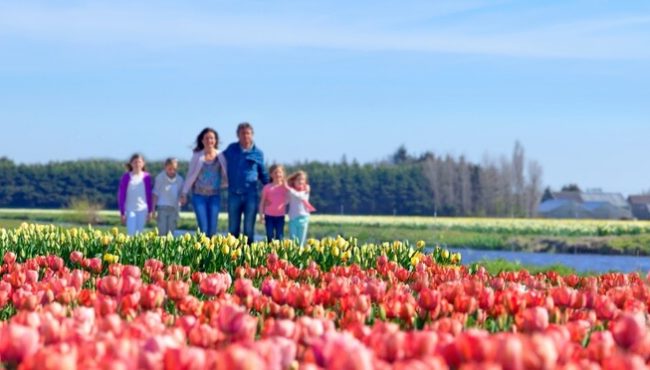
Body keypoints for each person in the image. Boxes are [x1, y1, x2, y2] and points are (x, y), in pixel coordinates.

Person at [223, 122, 270, 243]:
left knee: (249, 229)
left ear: (252, 135)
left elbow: (263, 174)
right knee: (233, 229)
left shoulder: (258, 153)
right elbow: (218, 161)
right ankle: (232, 257)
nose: (245, 136)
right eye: (242, 133)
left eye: (248, 133)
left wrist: (271, 190)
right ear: (237, 135)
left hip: (251, 195)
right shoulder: (231, 149)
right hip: (234, 194)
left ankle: (247, 259)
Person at [180, 128, 228, 237]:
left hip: (215, 195)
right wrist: (184, 193)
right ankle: (201, 251)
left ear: (215, 140)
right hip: (199, 196)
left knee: (212, 229)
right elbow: (190, 175)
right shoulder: (197, 156)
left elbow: (229, 171)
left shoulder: (221, 155)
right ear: (202, 141)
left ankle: (211, 252)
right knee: (204, 228)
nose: (209, 140)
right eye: (206, 138)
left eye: (211, 138)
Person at [118, 153, 153, 235]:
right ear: (131, 163)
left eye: (139, 162)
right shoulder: (126, 177)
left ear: (143, 164)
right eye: (135, 162)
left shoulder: (146, 177)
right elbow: (121, 195)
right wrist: (122, 212)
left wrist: (150, 211)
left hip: (142, 209)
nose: (137, 164)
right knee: (131, 233)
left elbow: (149, 194)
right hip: (130, 209)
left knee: (139, 233)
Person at [153, 158, 184, 236]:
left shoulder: (180, 180)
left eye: (174, 169)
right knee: (162, 231)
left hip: (174, 209)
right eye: (170, 169)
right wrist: (153, 210)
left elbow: (181, 195)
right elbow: (155, 194)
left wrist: (182, 198)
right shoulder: (160, 178)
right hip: (162, 208)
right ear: (165, 167)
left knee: (171, 232)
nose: (172, 171)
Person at [286, 170, 316, 246]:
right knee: (293, 239)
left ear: (305, 181)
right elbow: (286, 200)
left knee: (301, 239)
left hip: (304, 217)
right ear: (294, 181)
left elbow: (300, 196)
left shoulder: (306, 190)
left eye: (302, 179)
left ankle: (300, 253)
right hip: (293, 218)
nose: (300, 181)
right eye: (298, 179)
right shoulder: (290, 192)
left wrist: (289, 188)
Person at [258, 164, 288, 241]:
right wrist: (261, 216)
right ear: (271, 174)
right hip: (269, 216)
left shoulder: (286, 187)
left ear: (283, 174)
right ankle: (270, 252)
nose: (278, 174)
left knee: (279, 236)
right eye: (275, 172)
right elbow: (262, 203)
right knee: (269, 235)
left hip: (280, 216)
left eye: (280, 172)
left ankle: (279, 252)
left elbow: (292, 197)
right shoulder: (267, 187)